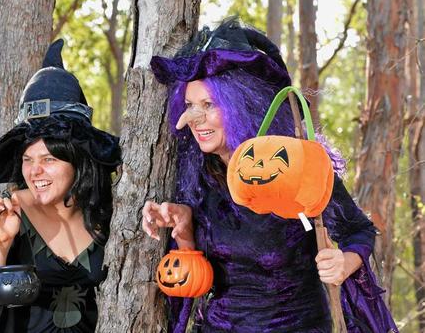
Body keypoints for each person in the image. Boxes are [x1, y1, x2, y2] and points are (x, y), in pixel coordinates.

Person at [142, 17, 397, 332]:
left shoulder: (291, 164)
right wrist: (183, 231)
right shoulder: (198, 174)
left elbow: (359, 230)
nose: (195, 117)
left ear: (242, 104)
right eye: (190, 104)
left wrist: (344, 263)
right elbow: (196, 277)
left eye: (209, 104)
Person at [0, 39, 121, 332]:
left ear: (77, 161)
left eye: (49, 159)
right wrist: (1, 244)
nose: (35, 171)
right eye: (28, 159)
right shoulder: (10, 214)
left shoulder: (112, 213)